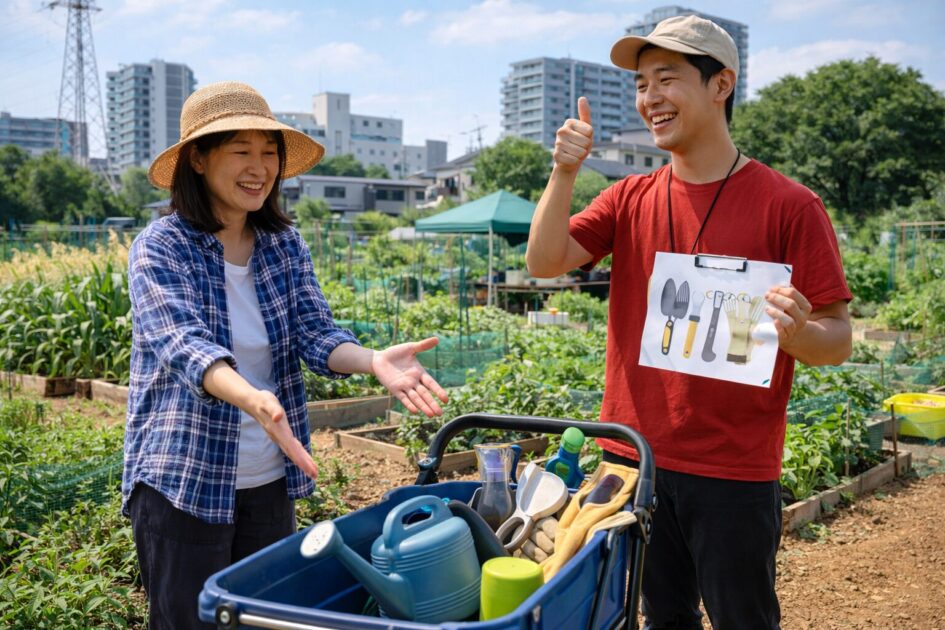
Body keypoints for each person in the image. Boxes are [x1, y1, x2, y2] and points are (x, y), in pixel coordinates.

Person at [526, 15, 852, 630]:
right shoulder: (629, 198)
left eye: (667, 79)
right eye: (642, 84)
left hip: (733, 468)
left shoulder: (790, 206)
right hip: (634, 457)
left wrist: (800, 332)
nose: (649, 98)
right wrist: (564, 171)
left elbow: (836, 341)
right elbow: (545, 260)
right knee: (659, 616)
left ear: (721, 84)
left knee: (744, 619)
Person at [121, 81, 449, 630]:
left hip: (271, 478)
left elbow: (313, 332)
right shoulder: (161, 246)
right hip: (184, 480)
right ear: (198, 160)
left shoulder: (282, 243)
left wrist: (372, 361)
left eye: (269, 151)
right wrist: (252, 397)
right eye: (241, 151)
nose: (260, 167)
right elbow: (183, 344)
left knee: (265, 620)